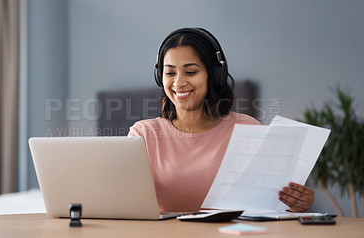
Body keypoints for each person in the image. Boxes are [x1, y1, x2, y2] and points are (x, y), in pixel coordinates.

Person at [128, 27, 314, 212]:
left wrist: (296, 203)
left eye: (191, 72)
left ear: (215, 75)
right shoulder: (143, 135)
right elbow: (125, 202)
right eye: (170, 73)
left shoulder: (248, 129)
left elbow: (271, 206)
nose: (178, 82)